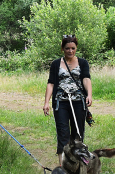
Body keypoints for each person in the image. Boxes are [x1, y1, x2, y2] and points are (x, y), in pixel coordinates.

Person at [43, 35, 92, 166]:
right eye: (67, 48)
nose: (70, 51)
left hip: (78, 102)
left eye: (73, 48)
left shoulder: (83, 63)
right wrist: (46, 102)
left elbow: (86, 79)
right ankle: (63, 166)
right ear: (62, 49)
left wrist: (89, 95)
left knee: (78, 133)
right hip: (61, 102)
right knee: (63, 133)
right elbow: (51, 83)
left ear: (76, 48)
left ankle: (77, 163)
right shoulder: (55, 64)